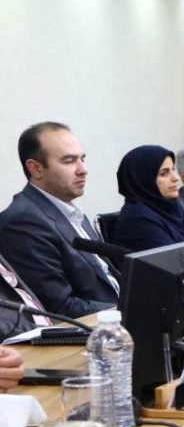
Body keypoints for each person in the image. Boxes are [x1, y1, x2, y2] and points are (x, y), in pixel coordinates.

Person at [0, 122, 120, 318]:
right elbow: (58, 308)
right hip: (93, 330)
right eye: (69, 161)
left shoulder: (71, 211)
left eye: (82, 159)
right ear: (36, 168)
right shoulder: (22, 222)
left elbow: (107, 277)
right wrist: (127, 310)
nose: (83, 169)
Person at [112, 145, 184, 253]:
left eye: (173, 170)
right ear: (143, 179)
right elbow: (174, 260)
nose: (176, 178)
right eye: (164, 173)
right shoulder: (137, 220)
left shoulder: (171, 207)